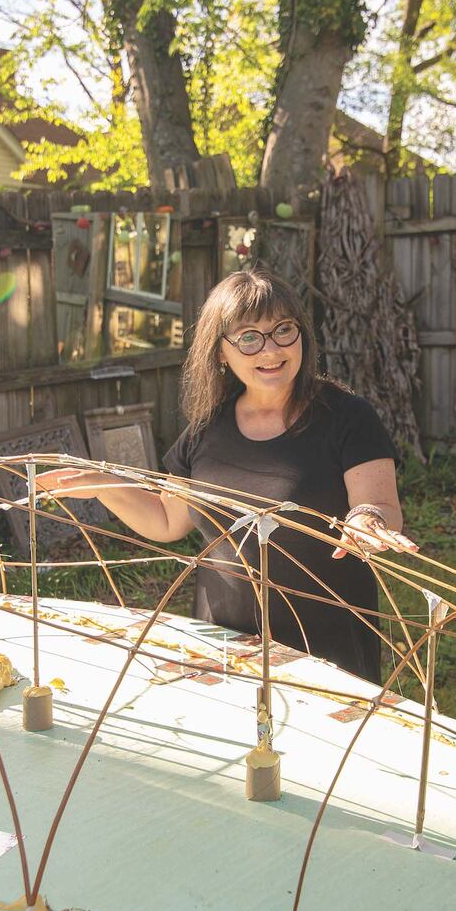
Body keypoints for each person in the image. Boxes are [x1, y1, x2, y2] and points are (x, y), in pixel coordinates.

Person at [39, 267, 415, 683]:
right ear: (220, 352)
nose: (270, 351)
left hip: (325, 647)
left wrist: (367, 522)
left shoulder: (347, 417)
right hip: (226, 643)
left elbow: (379, 505)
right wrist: (100, 485)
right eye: (249, 337)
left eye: (283, 330)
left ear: (302, 335)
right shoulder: (207, 428)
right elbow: (166, 520)